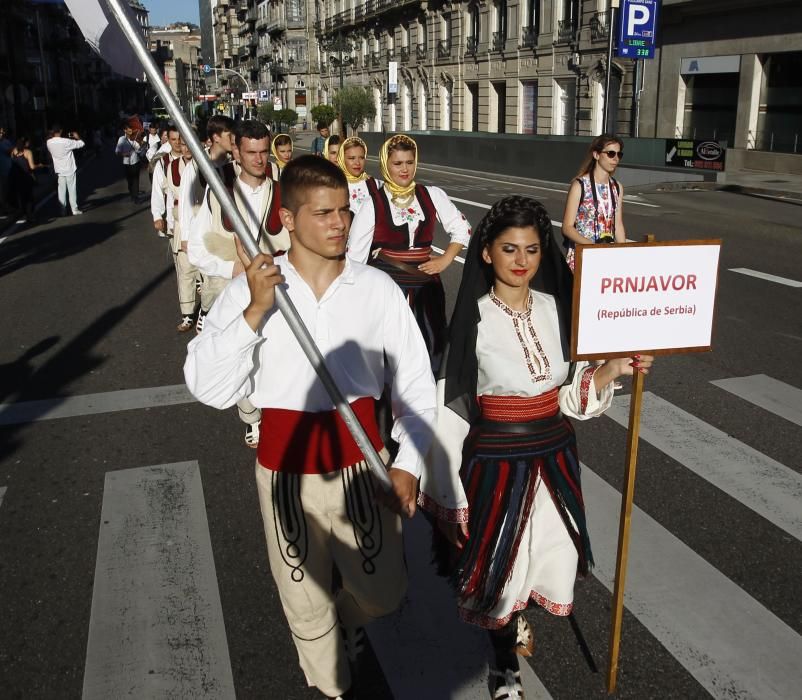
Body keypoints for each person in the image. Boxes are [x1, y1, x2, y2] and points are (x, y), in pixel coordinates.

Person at [184, 155, 437, 700]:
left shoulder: (376, 289)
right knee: (305, 605)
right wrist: (255, 311)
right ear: (288, 217)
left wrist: (408, 464)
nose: (339, 224)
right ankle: (332, 687)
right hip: (285, 471)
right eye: (323, 213)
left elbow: (415, 381)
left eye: (344, 211)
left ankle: (349, 623)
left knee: (384, 593)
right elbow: (206, 386)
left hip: (362, 467)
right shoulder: (255, 288)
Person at [418, 195, 653, 699]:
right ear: (486, 254)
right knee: (502, 566)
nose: (521, 261)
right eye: (509, 249)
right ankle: (505, 662)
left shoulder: (552, 308)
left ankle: (514, 624)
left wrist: (613, 369)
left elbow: (567, 394)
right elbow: (454, 405)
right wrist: (447, 493)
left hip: (555, 454)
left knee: (545, 553)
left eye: (530, 249)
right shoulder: (475, 319)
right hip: (498, 461)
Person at [188, 119, 289, 448]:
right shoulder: (218, 192)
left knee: (273, 355)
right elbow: (197, 249)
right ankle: (252, 419)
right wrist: (234, 270)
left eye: (264, 152)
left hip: (278, 287)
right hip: (236, 291)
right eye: (251, 153)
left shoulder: (284, 189)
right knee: (242, 352)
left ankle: (275, 410)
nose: (259, 160)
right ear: (236, 151)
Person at [348, 134, 471, 368]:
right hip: (389, 286)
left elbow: (461, 229)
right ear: (386, 164)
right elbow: (355, 257)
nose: (404, 169)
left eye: (409, 162)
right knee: (393, 353)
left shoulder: (431, 195)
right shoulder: (372, 203)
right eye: (397, 163)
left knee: (431, 347)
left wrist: (445, 259)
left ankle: (429, 399)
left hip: (426, 287)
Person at [177, 114, 235, 332]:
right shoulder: (197, 165)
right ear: (216, 137)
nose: (233, 138)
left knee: (218, 280)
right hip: (199, 232)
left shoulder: (230, 164)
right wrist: (184, 236)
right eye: (229, 134)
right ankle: (205, 313)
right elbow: (185, 200)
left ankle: (213, 316)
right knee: (210, 282)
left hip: (221, 231)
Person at [561, 134, 627, 271]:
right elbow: (567, 227)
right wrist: (592, 246)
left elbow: (618, 225)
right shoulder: (580, 185)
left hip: (606, 258)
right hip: (582, 256)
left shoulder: (617, 187)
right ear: (596, 155)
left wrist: (622, 252)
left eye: (619, 154)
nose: (615, 158)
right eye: (610, 153)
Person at [335, 136, 382, 215]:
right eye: (351, 158)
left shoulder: (374, 184)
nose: (357, 163)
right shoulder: (335, 185)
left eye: (361, 158)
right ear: (342, 159)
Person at [46, 125, 85, 216]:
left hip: (59, 169)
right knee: (71, 189)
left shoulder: (49, 142)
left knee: (61, 190)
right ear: (61, 131)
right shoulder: (66, 141)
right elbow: (81, 144)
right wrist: (77, 137)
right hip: (69, 168)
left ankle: (62, 210)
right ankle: (74, 209)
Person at [9, 136, 45, 223]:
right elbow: (32, 166)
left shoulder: (13, 152)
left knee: (22, 197)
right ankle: (30, 215)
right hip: (26, 177)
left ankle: (24, 213)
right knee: (29, 197)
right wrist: (39, 165)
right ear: (25, 144)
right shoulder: (27, 152)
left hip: (17, 178)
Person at [115, 123, 144, 203]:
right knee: (130, 181)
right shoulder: (121, 139)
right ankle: (132, 193)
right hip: (126, 163)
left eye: (131, 129)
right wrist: (123, 154)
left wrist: (140, 144)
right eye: (128, 129)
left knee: (135, 180)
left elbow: (140, 150)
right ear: (125, 130)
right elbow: (117, 151)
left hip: (135, 161)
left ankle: (136, 197)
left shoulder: (135, 138)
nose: (130, 130)